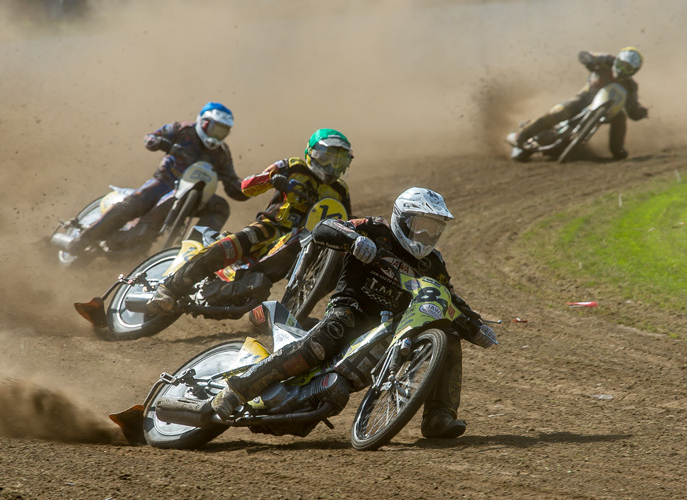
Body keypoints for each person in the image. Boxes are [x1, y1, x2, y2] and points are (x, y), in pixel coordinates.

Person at [210, 187, 497, 439]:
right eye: (420, 226)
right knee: (325, 338)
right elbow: (325, 227)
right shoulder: (376, 229)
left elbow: (448, 295)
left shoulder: (433, 263)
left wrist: (475, 325)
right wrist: (353, 240)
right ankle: (238, 389)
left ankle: (438, 417)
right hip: (351, 309)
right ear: (402, 219)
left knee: (448, 335)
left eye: (433, 229)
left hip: (393, 329)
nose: (426, 235)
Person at [145, 128, 354, 315]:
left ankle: (292, 314)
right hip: (270, 228)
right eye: (326, 158)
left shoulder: (340, 190)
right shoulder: (293, 166)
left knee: (335, 266)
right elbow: (246, 186)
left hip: (303, 243)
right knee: (229, 247)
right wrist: (271, 180)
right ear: (311, 152)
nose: (331, 166)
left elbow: (343, 219)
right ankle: (169, 288)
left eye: (339, 161)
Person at [62, 102, 247, 254]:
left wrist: (249, 188)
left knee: (221, 207)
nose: (217, 136)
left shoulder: (222, 153)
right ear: (203, 122)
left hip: (195, 197)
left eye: (222, 132)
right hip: (165, 182)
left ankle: (193, 251)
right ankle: (81, 240)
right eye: (215, 129)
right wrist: (158, 142)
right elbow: (150, 138)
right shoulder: (182, 130)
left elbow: (232, 183)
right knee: (133, 204)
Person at [507, 47, 648, 159]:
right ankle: (522, 135)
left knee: (620, 118)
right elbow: (584, 55)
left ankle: (618, 149)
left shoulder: (631, 87)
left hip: (609, 109)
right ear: (617, 60)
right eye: (622, 65)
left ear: (634, 71)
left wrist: (640, 112)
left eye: (628, 68)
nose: (623, 70)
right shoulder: (606, 60)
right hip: (585, 97)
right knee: (560, 112)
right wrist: (589, 61)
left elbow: (632, 111)